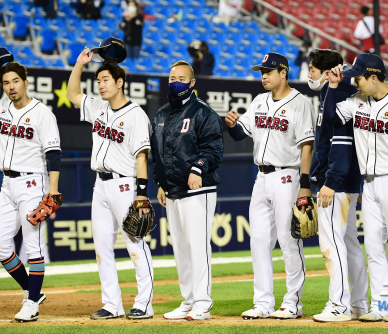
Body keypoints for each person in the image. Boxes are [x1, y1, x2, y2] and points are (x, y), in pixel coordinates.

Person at [0, 56, 62, 321]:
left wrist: (52, 190)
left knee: (33, 247)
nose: (11, 86)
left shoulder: (43, 114)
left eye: (15, 81)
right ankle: (32, 290)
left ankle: (31, 303)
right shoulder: (1, 109)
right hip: (7, 184)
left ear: (26, 83)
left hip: (33, 183)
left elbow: (53, 154)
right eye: (6, 82)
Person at [325, 54, 388, 323]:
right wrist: (333, 86)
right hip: (368, 183)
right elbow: (331, 115)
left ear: (374, 77)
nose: (354, 81)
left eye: (358, 76)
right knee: (374, 248)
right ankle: (380, 306)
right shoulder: (357, 101)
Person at [66, 46, 154, 320]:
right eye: (98, 81)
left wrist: (142, 195)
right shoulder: (98, 108)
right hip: (100, 185)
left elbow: (142, 158)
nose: (101, 85)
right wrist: (80, 63)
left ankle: (144, 303)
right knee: (102, 246)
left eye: (106, 80)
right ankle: (112, 304)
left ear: (120, 82)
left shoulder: (136, 115)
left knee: (135, 244)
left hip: (126, 185)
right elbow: (72, 94)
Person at [225, 52, 315, 320]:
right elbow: (242, 132)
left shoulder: (300, 103)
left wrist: (305, 185)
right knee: (259, 242)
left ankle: (292, 303)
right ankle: (263, 303)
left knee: (289, 242)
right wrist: (231, 125)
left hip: (288, 177)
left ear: (283, 73)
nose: (263, 75)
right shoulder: (259, 101)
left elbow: (307, 146)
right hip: (261, 178)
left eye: (269, 71)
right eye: (262, 71)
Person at [153, 60, 224, 321]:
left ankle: (202, 303)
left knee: (197, 246)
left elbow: (214, 149)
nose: (175, 82)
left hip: (198, 189)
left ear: (192, 83)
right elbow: (158, 154)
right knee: (181, 248)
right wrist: (159, 182)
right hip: (172, 191)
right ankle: (189, 300)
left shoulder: (203, 113)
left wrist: (198, 169)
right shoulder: (160, 115)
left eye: (181, 78)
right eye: (172, 78)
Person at [305, 49, 368, 322]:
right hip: (345, 181)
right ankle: (358, 304)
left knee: (332, 243)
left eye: (313, 69)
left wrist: (330, 181)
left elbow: (342, 145)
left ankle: (339, 305)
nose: (309, 75)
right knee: (350, 243)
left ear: (330, 71)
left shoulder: (340, 92)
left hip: (336, 183)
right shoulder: (337, 92)